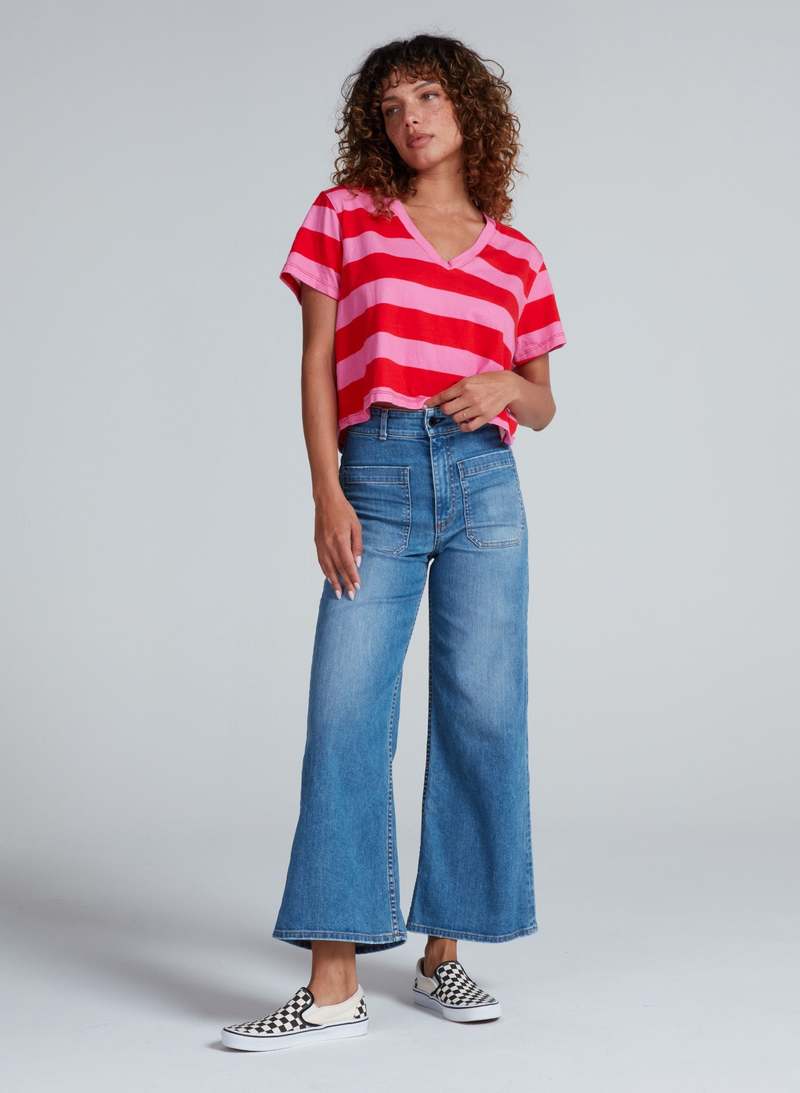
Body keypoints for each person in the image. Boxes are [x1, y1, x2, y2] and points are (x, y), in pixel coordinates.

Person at [221, 32, 566, 1052]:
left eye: (427, 96)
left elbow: (543, 402)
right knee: (344, 712)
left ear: (467, 109)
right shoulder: (345, 216)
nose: (409, 117)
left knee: (481, 713)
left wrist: (507, 387)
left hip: (484, 486)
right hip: (374, 472)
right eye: (389, 105)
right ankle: (332, 986)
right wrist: (326, 490)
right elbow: (316, 359)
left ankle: (443, 952)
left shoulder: (517, 255)